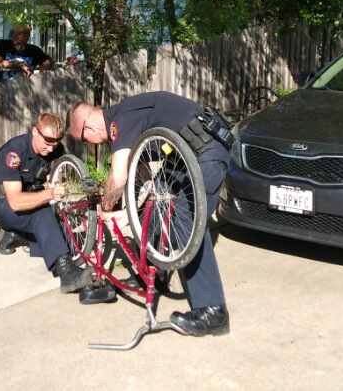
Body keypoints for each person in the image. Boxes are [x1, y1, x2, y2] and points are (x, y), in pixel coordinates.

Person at [67, 92, 231, 336]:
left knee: (188, 223)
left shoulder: (120, 121)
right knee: (153, 207)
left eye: (85, 140)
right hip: (182, 155)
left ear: (88, 127)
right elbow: (139, 171)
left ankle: (212, 312)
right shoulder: (128, 118)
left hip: (206, 150)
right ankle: (154, 275)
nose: (92, 144)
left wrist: (106, 205)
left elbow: (120, 175)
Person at [0, 113, 92, 293]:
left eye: (55, 144)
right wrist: (50, 193)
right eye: (47, 143)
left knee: (58, 226)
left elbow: (64, 171)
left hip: (29, 196)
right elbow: (16, 203)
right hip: (3, 204)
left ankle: (15, 235)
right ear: (35, 132)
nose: (51, 149)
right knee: (42, 213)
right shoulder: (14, 152)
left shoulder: (54, 148)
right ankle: (67, 274)